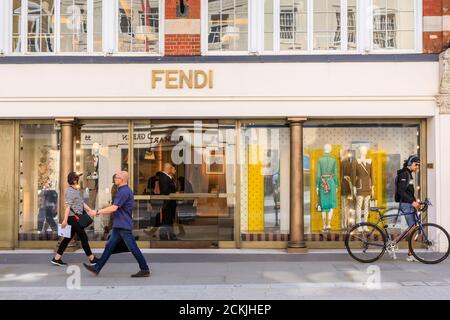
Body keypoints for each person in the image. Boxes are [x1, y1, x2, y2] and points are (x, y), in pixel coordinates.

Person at [83, 171, 150, 277]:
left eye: (116, 177)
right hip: (119, 225)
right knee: (109, 247)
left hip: (123, 225)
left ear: (122, 179)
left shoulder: (123, 191)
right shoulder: (123, 190)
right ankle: (97, 267)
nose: (114, 179)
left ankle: (145, 269)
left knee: (133, 248)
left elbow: (114, 207)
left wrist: (97, 212)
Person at [51, 172, 98, 266]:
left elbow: (81, 203)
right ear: (74, 180)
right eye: (77, 179)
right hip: (73, 218)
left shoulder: (75, 190)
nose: (78, 180)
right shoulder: (70, 192)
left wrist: (90, 211)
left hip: (75, 218)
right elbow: (68, 207)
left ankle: (56, 258)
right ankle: (91, 258)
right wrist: (64, 220)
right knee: (83, 237)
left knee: (67, 239)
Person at [394, 155, 421, 262]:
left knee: (412, 227)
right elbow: (401, 191)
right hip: (405, 204)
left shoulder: (408, 174)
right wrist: (412, 202)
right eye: (416, 164)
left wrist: (415, 202)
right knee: (413, 227)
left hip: (408, 203)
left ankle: (396, 243)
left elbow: (408, 191)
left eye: (418, 165)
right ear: (410, 163)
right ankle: (410, 254)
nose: (417, 167)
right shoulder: (404, 174)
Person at [158, 163, 178, 240]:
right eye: (172, 168)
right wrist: (174, 193)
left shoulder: (168, 177)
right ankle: (163, 236)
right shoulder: (164, 177)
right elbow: (165, 191)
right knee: (166, 220)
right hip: (167, 202)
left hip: (170, 202)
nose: (173, 170)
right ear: (168, 169)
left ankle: (171, 235)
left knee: (169, 220)